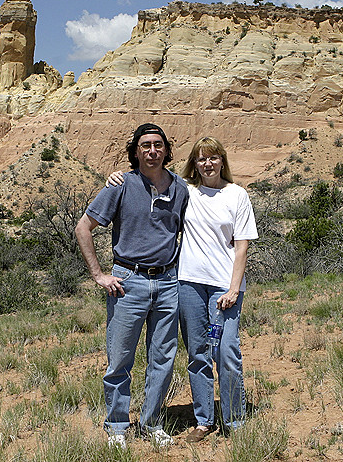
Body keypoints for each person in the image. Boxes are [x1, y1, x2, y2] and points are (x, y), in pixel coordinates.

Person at [107, 136, 258, 442]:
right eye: (201, 158)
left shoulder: (237, 195)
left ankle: (235, 420)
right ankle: (204, 420)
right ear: (195, 163)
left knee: (226, 350)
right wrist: (115, 176)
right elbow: (153, 178)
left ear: (222, 161)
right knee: (197, 353)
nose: (208, 163)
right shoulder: (185, 190)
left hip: (224, 288)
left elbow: (241, 248)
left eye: (213, 157)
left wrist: (232, 290)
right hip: (187, 283)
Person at [74, 123, 189, 449]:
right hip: (127, 282)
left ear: (166, 150)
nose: (152, 151)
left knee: (163, 358)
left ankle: (152, 422)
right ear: (136, 151)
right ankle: (117, 426)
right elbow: (84, 227)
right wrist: (99, 275)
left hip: (168, 282)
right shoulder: (121, 184)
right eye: (145, 146)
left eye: (158, 145)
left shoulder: (180, 188)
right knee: (120, 359)